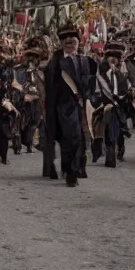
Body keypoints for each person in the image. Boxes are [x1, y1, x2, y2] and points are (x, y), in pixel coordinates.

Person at [45, 22, 93, 187]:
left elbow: (89, 83)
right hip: (63, 108)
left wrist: (87, 98)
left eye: (72, 37)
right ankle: (71, 172)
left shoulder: (85, 61)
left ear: (78, 41)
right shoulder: (55, 62)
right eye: (65, 38)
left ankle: (75, 167)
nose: (69, 40)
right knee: (70, 140)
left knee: (81, 140)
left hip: (82, 108)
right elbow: (50, 88)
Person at [92, 47, 131, 168]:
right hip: (104, 106)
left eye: (116, 57)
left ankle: (117, 148)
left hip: (119, 106)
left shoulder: (122, 75)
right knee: (108, 127)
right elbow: (96, 91)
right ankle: (109, 152)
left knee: (117, 129)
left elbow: (126, 90)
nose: (113, 59)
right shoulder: (100, 74)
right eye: (110, 56)